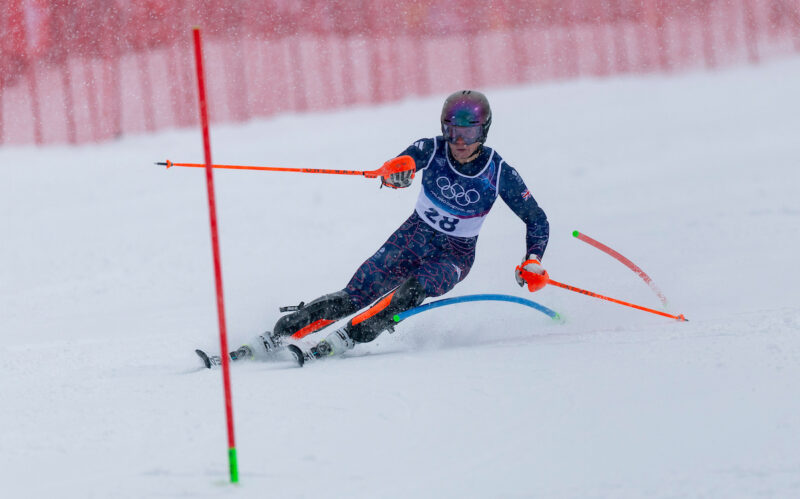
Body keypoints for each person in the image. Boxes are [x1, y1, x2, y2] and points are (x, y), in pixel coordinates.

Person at [259, 90, 550, 361]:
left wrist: (533, 260)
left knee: (412, 290)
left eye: (469, 133)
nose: (459, 142)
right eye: (451, 132)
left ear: (483, 131)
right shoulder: (432, 148)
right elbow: (404, 162)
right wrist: (394, 174)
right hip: (412, 238)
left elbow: (536, 218)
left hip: (454, 256)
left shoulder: (499, 172)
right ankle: (281, 335)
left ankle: (350, 335)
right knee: (355, 294)